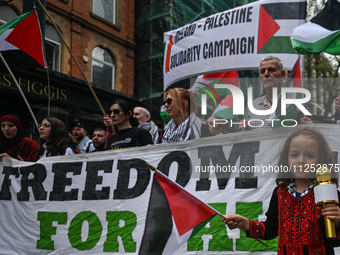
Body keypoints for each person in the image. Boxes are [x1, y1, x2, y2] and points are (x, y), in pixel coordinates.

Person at [223, 127, 340, 254]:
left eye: (309, 155)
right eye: (294, 155)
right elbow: (271, 229)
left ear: (320, 159)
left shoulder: (330, 193)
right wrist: (245, 223)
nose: (301, 161)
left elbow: (334, 242)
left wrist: (337, 222)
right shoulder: (279, 193)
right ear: (286, 158)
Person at [246, 55, 313, 130]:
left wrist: (312, 128)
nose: (266, 74)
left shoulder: (299, 101)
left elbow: (310, 135)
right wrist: (243, 130)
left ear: (282, 74)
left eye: (271, 70)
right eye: (262, 71)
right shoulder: (253, 106)